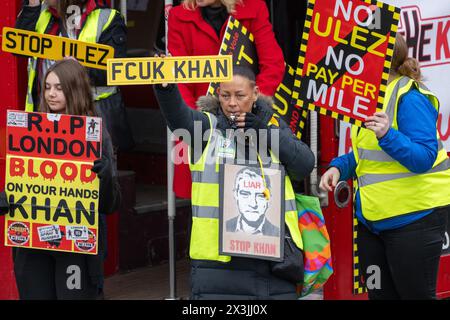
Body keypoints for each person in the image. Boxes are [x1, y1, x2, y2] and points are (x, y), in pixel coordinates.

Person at [154, 64, 314, 300]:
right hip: (218, 265)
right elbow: (180, 120)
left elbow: (305, 164)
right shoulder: (208, 128)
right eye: (225, 95)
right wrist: (166, 88)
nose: (232, 103)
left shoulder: (272, 126)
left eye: (240, 96)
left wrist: (265, 133)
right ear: (218, 94)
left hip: (271, 264)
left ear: (255, 93)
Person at [319, 34, 450, 300]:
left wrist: (388, 135)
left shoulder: (410, 97)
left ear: (377, 61)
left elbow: (424, 157)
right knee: (379, 295)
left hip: (415, 219)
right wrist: (338, 168)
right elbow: (365, 154)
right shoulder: (369, 97)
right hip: (373, 223)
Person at [0, 59, 120, 300]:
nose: (51, 94)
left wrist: (105, 176)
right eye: (47, 87)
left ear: (74, 89)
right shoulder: (30, 130)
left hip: (77, 247)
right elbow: (21, 184)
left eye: (59, 88)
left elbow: (111, 204)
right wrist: (5, 198)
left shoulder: (95, 133)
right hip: (33, 245)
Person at [168, 0, 285, 199]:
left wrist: (247, 106)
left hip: (246, 123)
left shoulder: (253, 9)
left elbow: (273, 65)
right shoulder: (179, 15)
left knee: (248, 194)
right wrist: (193, 120)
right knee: (203, 201)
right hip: (202, 125)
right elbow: (179, 79)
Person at [16, 0, 134, 152]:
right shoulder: (39, 11)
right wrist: (32, 6)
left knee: (95, 173)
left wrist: (80, 70)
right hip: (45, 114)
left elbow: (117, 71)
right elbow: (18, 49)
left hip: (92, 116)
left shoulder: (107, 18)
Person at [226, 167, 280, 236]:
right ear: (235, 195)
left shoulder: (277, 233)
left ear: (269, 199)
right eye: (245, 194)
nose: (253, 204)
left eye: (260, 196)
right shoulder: (225, 227)